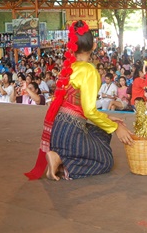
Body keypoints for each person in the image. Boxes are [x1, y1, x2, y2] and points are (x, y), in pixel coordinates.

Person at [25, 21, 133, 181]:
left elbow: (79, 108)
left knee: (101, 133)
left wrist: (109, 119)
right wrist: (116, 128)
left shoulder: (68, 68)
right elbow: (89, 111)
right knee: (106, 161)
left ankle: (60, 157)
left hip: (57, 132)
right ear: (94, 45)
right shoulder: (89, 71)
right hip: (71, 131)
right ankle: (60, 160)